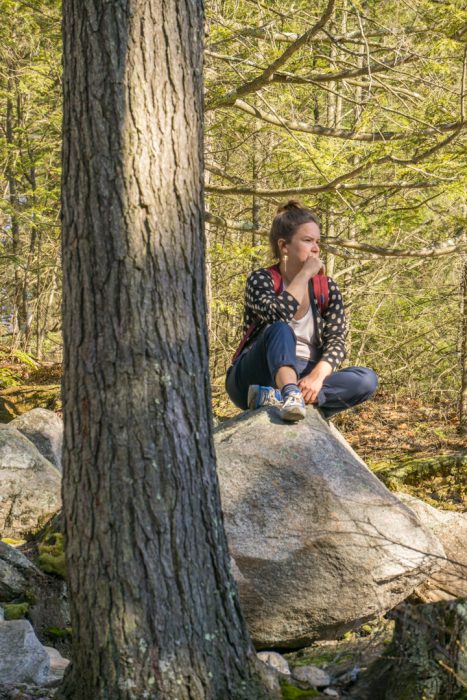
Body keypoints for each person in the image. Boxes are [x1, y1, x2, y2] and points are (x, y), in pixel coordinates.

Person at [225, 200, 378, 422]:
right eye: (307, 241)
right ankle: (290, 394)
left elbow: (337, 340)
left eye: (317, 241)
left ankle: (289, 396)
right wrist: (304, 275)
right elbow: (277, 315)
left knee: (366, 379)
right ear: (284, 246)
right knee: (280, 328)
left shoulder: (327, 288)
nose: (316, 248)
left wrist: (317, 377)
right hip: (256, 373)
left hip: (305, 373)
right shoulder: (261, 280)